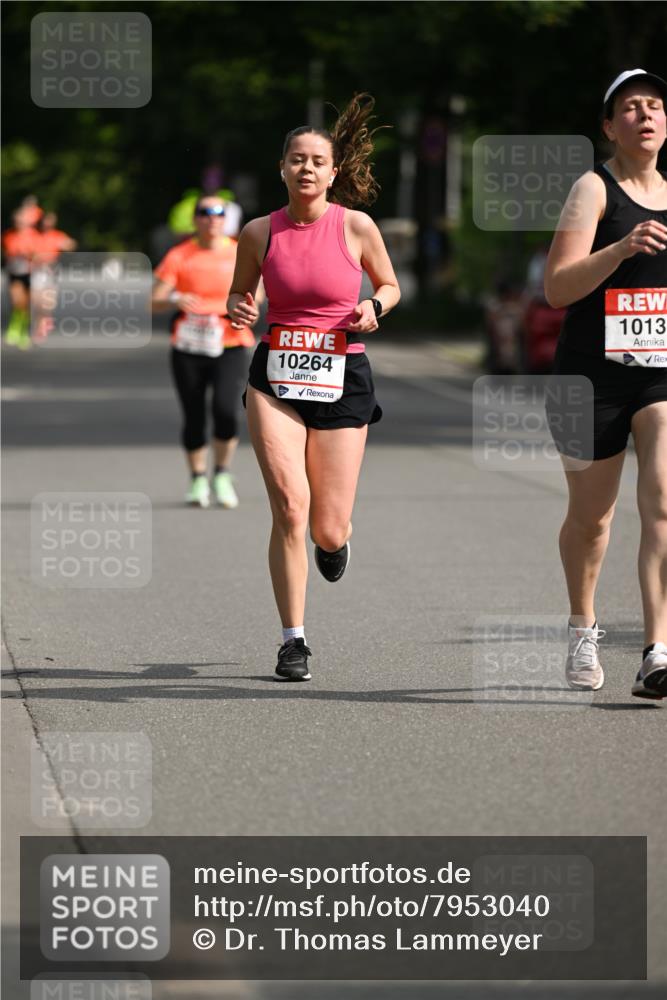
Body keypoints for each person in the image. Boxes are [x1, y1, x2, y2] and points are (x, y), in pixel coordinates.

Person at [227, 94, 400, 682]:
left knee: (327, 525)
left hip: (343, 371)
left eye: (316, 161)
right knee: (289, 508)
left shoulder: (355, 226)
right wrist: (239, 308)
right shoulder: (258, 231)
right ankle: (292, 640)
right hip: (276, 375)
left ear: (332, 172)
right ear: (283, 168)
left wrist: (374, 306)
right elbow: (238, 294)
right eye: (295, 159)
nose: (306, 168)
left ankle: (334, 544)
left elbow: (392, 285)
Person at [544, 69, 667, 700]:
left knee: (664, 501)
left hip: (659, 377)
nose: (645, 115)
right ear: (608, 126)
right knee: (593, 521)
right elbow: (557, 287)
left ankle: (657, 651)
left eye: (654, 105)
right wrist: (619, 249)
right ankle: (582, 624)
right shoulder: (593, 189)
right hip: (588, 378)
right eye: (630, 107)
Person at [152, 195, 256, 508]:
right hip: (189, 344)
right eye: (204, 213)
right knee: (194, 414)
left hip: (230, 342)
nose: (211, 218)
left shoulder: (240, 250)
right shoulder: (180, 255)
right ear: (195, 219)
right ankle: (198, 478)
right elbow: (153, 301)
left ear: (226, 219)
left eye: (218, 213)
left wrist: (244, 309)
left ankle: (221, 473)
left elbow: (258, 295)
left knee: (226, 410)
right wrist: (174, 300)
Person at [2, 206, 41, 348]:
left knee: (25, 305)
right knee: (16, 301)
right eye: (17, 221)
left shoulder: (33, 235)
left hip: (29, 273)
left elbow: (38, 255)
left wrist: (28, 254)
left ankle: (23, 332)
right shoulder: (8, 236)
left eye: (22, 220)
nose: (19, 223)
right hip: (14, 273)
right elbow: (7, 254)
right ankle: (13, 330)